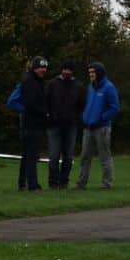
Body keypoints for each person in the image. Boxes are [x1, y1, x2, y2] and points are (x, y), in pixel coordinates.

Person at [76, 61, 120, 189]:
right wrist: (85, 117)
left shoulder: (109, 87)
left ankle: (107, 183)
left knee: (104, 156)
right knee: (84, 157)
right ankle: (81, 183)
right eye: (90, 72)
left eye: (93, 72)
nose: (91, 75)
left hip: (102, 128)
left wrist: (101, 118)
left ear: (99, 73)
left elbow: (114, 107)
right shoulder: (90, 87)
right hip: (88, 128)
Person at [45, 60, 86, 189]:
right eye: (65, 69)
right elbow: (46, 102)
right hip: (54, 125)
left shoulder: (79, 86)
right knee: (54, 156)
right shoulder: (52, 84)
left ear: (73, 71)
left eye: (69, 70)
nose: (67, 72)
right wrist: (49, 117)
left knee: (68, 157)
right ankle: (53, 182)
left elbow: (82, 105)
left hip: (71, 126)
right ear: (61, 70)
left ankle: (63, 182)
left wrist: (76, 119)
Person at [18, 56, 48, 192]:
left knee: (27, 155)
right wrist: (44, 113)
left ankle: (22, 183)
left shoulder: (37, 81)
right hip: (32, 123)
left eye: (45, 67)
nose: (43, 70)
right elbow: (30, 103)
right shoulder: (30, 81)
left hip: (33, 123)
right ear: (34, 67)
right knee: (31, 155)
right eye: (40, 67)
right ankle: (33, 184)